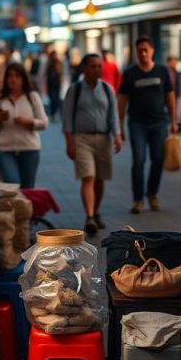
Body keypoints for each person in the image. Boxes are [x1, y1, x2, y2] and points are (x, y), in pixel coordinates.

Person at [62, 54, 121, 235]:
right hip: (82, 139)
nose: (97, 69)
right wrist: (69, 143)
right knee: (88, 176)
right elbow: (67, 119)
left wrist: (117, 136)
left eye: (99, 66)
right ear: (84, 68)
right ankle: (89, 217)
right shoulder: (75, 90)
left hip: (103, 139)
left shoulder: (107, 89)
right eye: (93, 66)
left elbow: (113, 115)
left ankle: (95, 212)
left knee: (100, 179)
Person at [118, 36, 178, 214]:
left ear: (152, 51)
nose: (143, 53)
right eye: (140, 50)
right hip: (137, 124)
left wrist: (174, 121)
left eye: (146, 49)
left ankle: (152, 194)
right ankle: (137, 199)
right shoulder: (130, 73)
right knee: (139, 160)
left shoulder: (162, 71)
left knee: (158, 160)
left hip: (159, 123)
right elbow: (122, 100)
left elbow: (170, 96)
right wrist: (120, 127)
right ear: (136, 52)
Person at [0, 63, 48, 188]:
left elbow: (44, 123)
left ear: (23, 78)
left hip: (29, 148)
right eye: (10, 76)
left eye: (17, 76)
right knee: (14, 184)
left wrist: (29, 122)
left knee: (28, 188)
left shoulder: (32, 97)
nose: (13, 79)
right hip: (5, 149)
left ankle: (26, 208)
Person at [46, 50, 64, 121]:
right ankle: (53, 114)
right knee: (52, 99)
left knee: (56, 99)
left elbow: (60, 73)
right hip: (50, 84)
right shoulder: (49, 64)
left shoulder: (58, 63)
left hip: (57, 84)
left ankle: (54, 114)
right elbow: (46, 75)